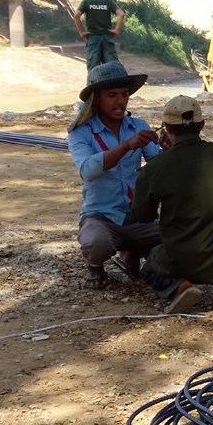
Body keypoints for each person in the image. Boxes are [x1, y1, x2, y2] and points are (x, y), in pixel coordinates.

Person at [131, 95, 213, 315]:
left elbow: (142, 216)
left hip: (178, 261)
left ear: (166, 130)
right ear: (202, 125)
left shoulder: (155, 168)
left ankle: (181, 287)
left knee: (151, 266)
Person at [67, 61, 163, 289]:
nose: (120, 101)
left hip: (138, 215)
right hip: (102, 216)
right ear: (96, 99)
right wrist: (127, 146)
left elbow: (157, 166)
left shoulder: (138, 126)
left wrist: (169, 150)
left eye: (125, 94)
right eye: (112, 95)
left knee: (176, 236)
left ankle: (133, 255)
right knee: (96, 242)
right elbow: (88, 171)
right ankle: (95, 265)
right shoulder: (80, 133)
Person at [75, 0, 125, 70]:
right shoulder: (108, 2)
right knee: (111, 67)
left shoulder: (87, 2)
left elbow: (76, 15)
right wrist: (116, 30)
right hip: (107, 37)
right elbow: (121, 14)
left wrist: (82, 32)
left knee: (94, 68)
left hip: (93, 38)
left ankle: (94, 83)